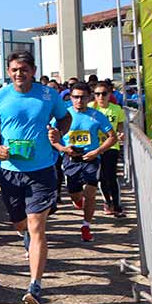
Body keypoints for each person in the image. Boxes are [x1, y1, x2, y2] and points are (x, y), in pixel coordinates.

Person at [0, 51, 70, 304]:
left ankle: (35, 286)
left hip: (42, 170)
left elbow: (65, 117)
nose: (19, 73)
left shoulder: (48, 95)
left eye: (24, 69)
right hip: (10, 171)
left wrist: (58, 132)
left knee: (37, 226)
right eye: (14, 69)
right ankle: (25, 238)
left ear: (33, 70)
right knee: (21, 224)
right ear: (8, 72)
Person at [52, 83, 117, 241]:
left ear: (89, 98)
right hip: (70, 159)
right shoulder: (64, 115)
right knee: (75, 195)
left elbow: (112, 137)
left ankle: (86, 226)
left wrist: (97, 152)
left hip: (91, 158)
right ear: (71, 97)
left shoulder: (96, 115)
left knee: (90, 193)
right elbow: (51, 137)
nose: (79, 100)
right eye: (75, 97)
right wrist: (63, 148)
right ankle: (78, 201)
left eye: (82, 97)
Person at [89, 80, 126, 217]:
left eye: (103, 94)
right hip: (94, 147)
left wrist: (121, 133)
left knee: (111, 176)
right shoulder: (90, 108)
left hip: (111, 146)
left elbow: (120, 125)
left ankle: (116, 205)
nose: (100, 97)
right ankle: (107, 201)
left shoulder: (116, 109)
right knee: (100, 177)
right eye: (97, 94)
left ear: (109, 94)